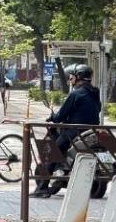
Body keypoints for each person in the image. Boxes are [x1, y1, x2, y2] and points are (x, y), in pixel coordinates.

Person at [31, 63, 101, 198]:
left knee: (53, 152)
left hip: (74, 131)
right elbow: (97, 109)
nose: (70, 79)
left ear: (78, 77)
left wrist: (53, 117)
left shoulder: (75, 94)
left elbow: (59, 116)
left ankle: (42, 188)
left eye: (71, 77)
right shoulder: (95, 92)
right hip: (92, 131)